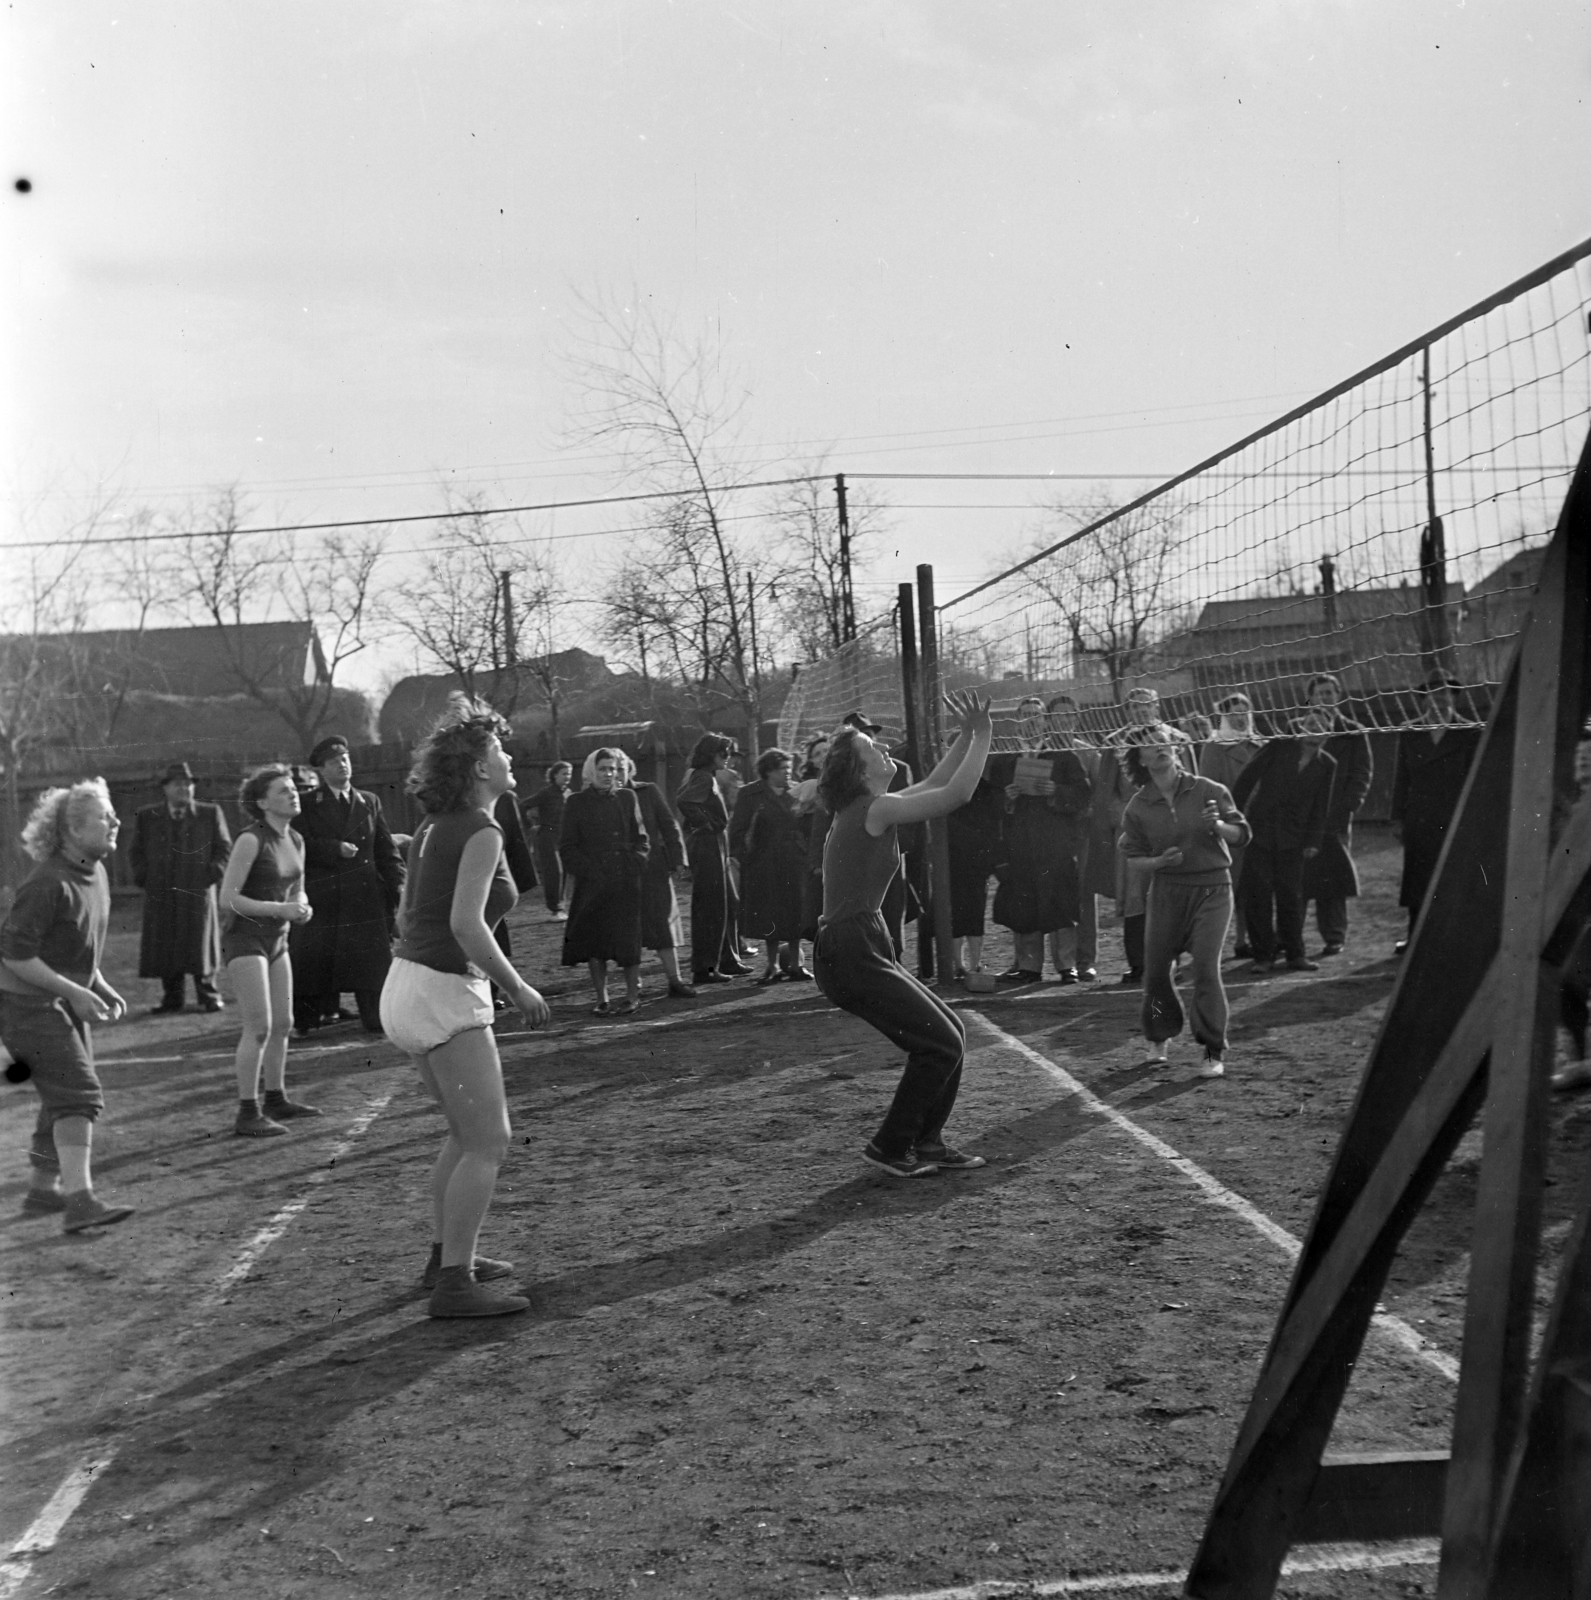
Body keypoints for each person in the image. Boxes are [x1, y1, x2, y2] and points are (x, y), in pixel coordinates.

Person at [379, 699, 550, 1318]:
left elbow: (414, 914)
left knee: (464, 1134)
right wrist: (518, 987)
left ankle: (446, 1259)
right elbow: (466, 925)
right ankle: (454, 1285)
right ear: (480, 767)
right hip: (441, 989)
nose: (510, 758)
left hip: (409, 983)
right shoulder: (481, 828)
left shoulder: (436, 824)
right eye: (500, 751)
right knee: (489, 1141)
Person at [813, 691, 994, 1178]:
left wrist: (966, 734)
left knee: (951, 1035)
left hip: (859, 942)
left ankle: (926, 1142)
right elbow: (956, 795)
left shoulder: (873, 806)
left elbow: (935, 783)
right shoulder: (873, 809)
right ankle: (890, 1147)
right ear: (859, 770)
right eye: (873, 747)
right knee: (939, 1044)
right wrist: (984, 735)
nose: (884, 747)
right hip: (849, 948)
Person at [0, 779, 133, 1231]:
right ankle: (80, 1202)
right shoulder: (48, 882)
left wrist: (98, 983)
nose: (115, 821)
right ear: (73, 831)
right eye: (104, 816)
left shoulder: (95, 872)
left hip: (57, 1002)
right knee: (77, 1094)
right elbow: (15, 956)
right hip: (26, 1007)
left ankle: (43, 1190)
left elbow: (73, 946)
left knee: (60, 1095)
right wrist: (75, 992)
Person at [1119, 727, 1250, 1078]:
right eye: (1150, 744)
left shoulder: (1208, 790)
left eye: (1164, 740)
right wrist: (1159, 862)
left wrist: (1218, 825)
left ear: (1176, 747)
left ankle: (1211, 1050)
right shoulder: (1138, 806)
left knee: (1206, 966)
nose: (1160, 747)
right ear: (1140, 759)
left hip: (1213, 888)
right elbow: (1134, 858)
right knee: (1156, 971)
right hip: (1167, 891)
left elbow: (1241, 834)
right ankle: (1158, 1037)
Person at [219, 765, 319, 1137]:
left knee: (283, 1024)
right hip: (246, 940)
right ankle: (248, 1112)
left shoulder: (296, 839)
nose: (293, 795)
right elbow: (228, 899)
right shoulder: (251, 839)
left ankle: (276, 1098)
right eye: (283, 791)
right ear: (262, 803)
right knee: (259, 1027)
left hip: (278, 940)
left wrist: (302, 905)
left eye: (294, 789)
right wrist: (281, 909)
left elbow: (298, 887)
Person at [291, 736, 404, 1034]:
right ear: (321, 770)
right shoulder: (308, 803)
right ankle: (307, 1020)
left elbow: (386, 850)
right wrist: (333, 849)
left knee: (371, 963)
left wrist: (400, 885)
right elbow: (299, 844)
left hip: (365, 898)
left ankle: (376, 1016)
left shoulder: (369, 801)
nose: (342, 765)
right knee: (316, 963)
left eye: (345, 759)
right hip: (325, 899)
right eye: (333, 762)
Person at [989, 697, 1092, 984]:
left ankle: (1066, 965)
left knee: (1061, 905)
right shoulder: (1004, 761)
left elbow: (1083, 794)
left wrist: (1055, 791)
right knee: (1024, 905)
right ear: (1017, 721)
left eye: (1036, 715)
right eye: (1025, 715)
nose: (1031, 720)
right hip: (1019, 845)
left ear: (1045, 720)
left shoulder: (1063, 756)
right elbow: (990, 803)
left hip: (1055, 845)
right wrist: (1007, 798)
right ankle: (1029, 966)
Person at [1232, 715, 1338, 974]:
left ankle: (1295, 955)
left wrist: (1313, 840)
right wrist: (1235, 817)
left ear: (1328, 734)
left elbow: (1321, 806)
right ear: (1300, 729)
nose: (1315, 731)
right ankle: (1263, 956)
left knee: (1291, 896)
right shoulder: (1279, 747)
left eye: (1322, 728)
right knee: (1258, 895)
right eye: (1311, 725)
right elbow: (1246, 779)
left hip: (1294, 839)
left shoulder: (1327, 764)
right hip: (1260, 831)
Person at [1390, 674, 1483, 956]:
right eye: (1433, 694)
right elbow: (1401, 778)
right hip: (1419, 818)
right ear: (1423, 700)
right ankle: (1415, 939)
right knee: (1417, 879)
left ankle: (1453, 939)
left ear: (1454, 698)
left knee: (1454, 877)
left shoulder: (1470, 732)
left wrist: (1471, 819)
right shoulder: (1410, 731)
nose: (1439, 700)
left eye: (1445, 694)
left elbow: (1476, 780)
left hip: (1454, 817)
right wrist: (1397, 818)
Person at [130, 761, 232, 1014]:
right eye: (177, 784)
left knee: (200, 941)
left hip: (197, 889)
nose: (184, 789)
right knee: (166, 941)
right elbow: (135, 851)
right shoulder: (148, 816)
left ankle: (209, 995)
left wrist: (212, 874)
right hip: (162, 890)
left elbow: (224, 848)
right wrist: (146, 877)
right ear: (165, 788)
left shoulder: (210, 813)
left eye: (187, 785)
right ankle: (172, 998)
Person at [1085, 687, 1172, 985]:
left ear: (1157, 707)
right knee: (1135, 899)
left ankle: (1169, 963)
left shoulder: (1177, 739)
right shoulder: (1115, 743)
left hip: (1168, 830)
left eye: (1146, 705)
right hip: (1133, 833)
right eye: (1134, 707)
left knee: (1169, 895)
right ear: (1127, 711)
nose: (1141, 710)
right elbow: (1105, 795)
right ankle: (1138, 963)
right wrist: (1126, 817)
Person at [562, 748, 650, 1014]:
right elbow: (567, 847)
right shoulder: (576, 802)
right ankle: (602, 998)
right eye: (602, 769)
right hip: (593, 882)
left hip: (625, 879)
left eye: (612, 769)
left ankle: (632, 995)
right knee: (595, 940)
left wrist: (635, 862)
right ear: (591, 771)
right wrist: (590, 871)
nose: (608, 774)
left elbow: (641, 838)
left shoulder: (627, 797)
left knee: (628, 939)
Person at [1301, 674, 1374, 957]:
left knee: (1333, 877)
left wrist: (1347, 807)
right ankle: (1289, 938)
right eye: (1319, 693)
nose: (1325, 698)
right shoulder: (1298, 730)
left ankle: (1334, 935)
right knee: (1296, 877)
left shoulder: (1353, 732)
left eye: (1330, 693)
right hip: (1302, 818)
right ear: (1310, 698)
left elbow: (1361, 774)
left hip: (1335, 817)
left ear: (1338, 695)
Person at [733, 748, 811, 982]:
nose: (787, 772)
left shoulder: (797, 792)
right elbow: (738, 829)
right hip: (764, 863)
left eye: (789, 767)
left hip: (794, 861)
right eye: (782, 768)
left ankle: (796, 964)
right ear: (768, 771)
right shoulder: (750, 794)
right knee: (771, 912)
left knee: (796, 910)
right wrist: (744, 858)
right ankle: (772, 965)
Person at [677, 734, 750, 984]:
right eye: (723, 753)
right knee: (711, 907)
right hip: (708, 845)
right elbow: (684, 801)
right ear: (711, 754)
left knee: (727, 902)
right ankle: (705, 968)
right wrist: (705, 823)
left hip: (716, 843)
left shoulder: (705, 776)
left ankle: (726, 959)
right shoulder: (704, 777)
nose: (727, 758)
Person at [622, 753, 695, 998]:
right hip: (621, 872)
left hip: (652, 869)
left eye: (622, 768)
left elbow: (669, 825)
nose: (617, 773)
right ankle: (634, 985)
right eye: (612, 768)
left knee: (663, 923)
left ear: (630, 769)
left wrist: (678, 860)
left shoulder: (648, 791)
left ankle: (675, 980)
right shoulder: (603, 799)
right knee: (627, 928)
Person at [1199, 693, 1264, 958]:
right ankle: (1217, 945)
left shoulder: (1260, 744)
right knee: (1230, 886)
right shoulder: (1214, 746)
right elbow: (1208, 787)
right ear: (1225, 716)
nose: (1240, 718)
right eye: (1234, 713)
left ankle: (1245, 939)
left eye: (1244, 712)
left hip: (1259, 824)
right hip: (1230, 825)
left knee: (1255, 886)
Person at [522, 762, 572, 920]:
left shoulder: (568, 793)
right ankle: (555, 909)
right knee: (554, 872)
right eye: (564, 773)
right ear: (555, 775)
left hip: (563, 837)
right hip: (548, 836)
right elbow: (523, 805)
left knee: (564, 872)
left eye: (569, 774)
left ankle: (561, 907)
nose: (567, 777)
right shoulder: (546, 793)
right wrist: (531, 825)